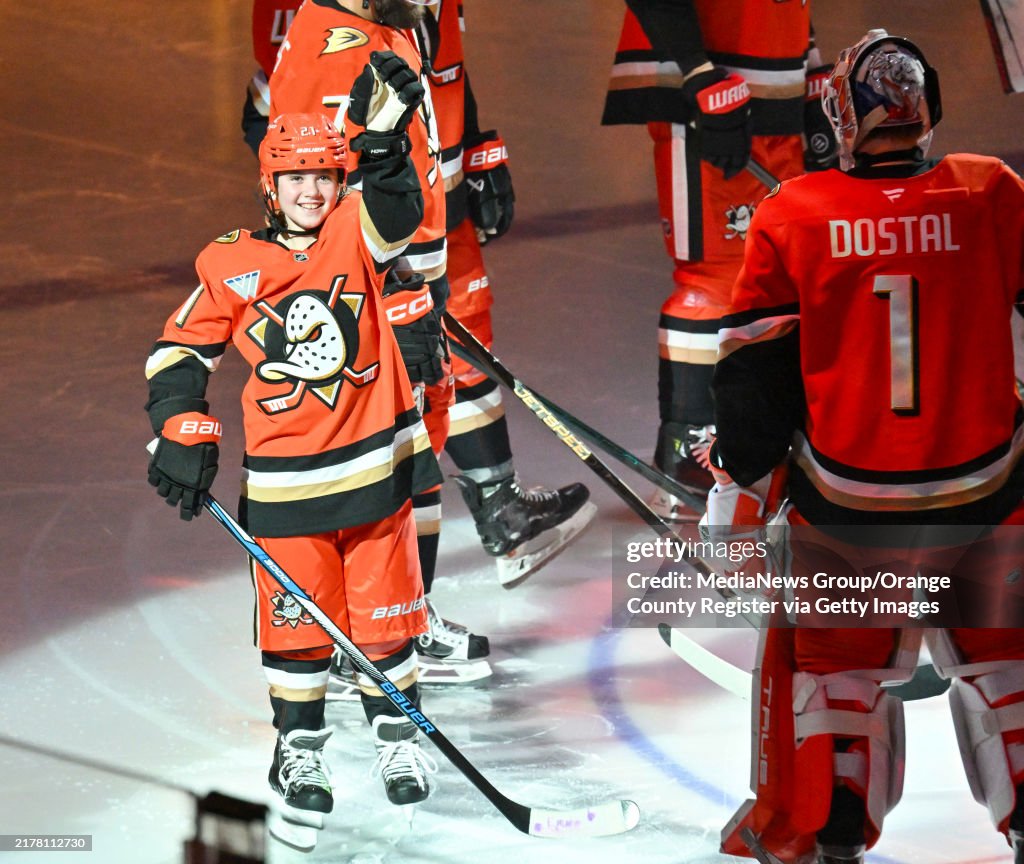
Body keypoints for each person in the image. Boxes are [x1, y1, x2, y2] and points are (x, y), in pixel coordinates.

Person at [704, 29, 1024, 864]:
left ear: (843, 117)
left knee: (839, 684)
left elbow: (754, 382)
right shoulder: (991, 190)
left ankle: (833, 828)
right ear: (929, 108)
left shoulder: (793, 214)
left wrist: (737, 488)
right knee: (1011, 674)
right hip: (986, 492)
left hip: (849, 505)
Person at [145, 56, 441, 842]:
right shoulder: (231, 261)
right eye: (295, 178)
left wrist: (381, 142)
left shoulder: (359, 232)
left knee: (387, 621)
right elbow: (181, 348)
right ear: (268, 185)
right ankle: (300, 748)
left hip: (376, 470)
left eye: (324, 176)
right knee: (296, 628)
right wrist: (180, 423)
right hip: (284, 489)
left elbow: (397, 208)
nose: (312, 191)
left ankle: (399, 739)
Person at [266, 0, 594, 682]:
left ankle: (398, 625)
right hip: (378, 294)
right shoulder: (337, 48)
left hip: (405, 282)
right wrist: (398, 296)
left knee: (412, 452)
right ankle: (384, 644)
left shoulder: (376, 28)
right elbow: (331, 196)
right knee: (391, 462)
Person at [602, 0, 835, 522]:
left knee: (771, 275)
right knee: (714, 277)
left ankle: (739, 453)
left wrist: (811, 65)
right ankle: (685, 462)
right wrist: (699, 74)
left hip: (769, 90)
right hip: (711, 101)